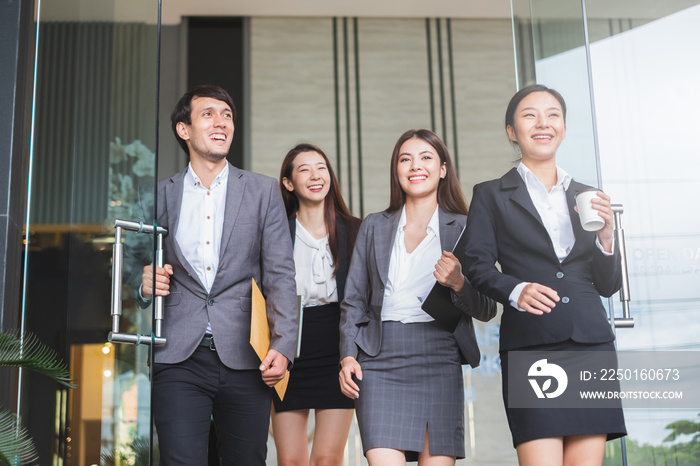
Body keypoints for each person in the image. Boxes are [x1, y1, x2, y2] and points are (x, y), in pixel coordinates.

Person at [463, 84, 626, 466]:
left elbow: (606, 285)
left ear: (564, 128)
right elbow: (477, 265)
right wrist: (516, 290)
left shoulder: (588, 194)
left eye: (553, 114)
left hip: (590, 344)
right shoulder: (490, 194)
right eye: (529, 115)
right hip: (532, 346)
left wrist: (606, 238)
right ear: (511, 131)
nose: (543, 123)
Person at [140, 84, 298, 465]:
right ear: (184, 130)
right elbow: (136, 266)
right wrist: (143, 284)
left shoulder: (262, 192)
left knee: (247, 459)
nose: (222, 122)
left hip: (247, 354)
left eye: (227, 115)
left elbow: (281, 274)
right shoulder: (160, 196)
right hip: (178, 355)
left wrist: (283, 344)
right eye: (208, 114)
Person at [338, 129, 496, 465]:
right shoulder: (374, 226)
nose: (415, 166)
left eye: (426, 158)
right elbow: (353, 299)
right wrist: (348, 355)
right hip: (379, 358)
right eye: (405, 159)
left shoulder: (466, 227)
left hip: (439, 356)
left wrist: (457, 283)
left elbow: (486, 307)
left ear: (442, 169)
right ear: (397, 171)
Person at [271, 143, 361, 466]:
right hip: (288, 345)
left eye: (321, 167)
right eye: (304, 169)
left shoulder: (354, 230)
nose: (315, 175)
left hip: (339, 348)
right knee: (291, 461)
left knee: (326, 459)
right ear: (288, 183)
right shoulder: (276, 232)